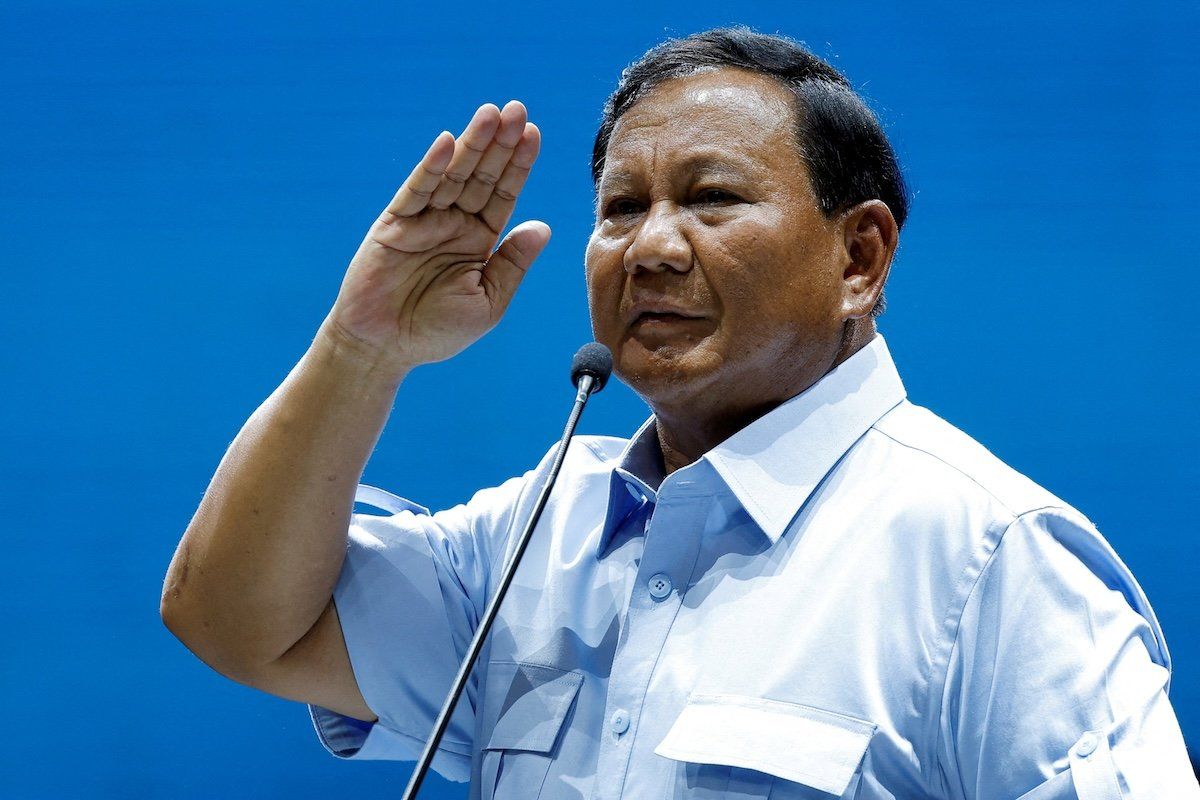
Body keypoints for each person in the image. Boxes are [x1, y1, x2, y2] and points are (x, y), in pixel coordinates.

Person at [159, 26, 1198, 799]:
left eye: (711, 198)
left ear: (859, 257)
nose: (650, 246)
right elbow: (233, 619)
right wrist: (362, 346)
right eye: (621, 207)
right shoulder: (542, 529)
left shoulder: (988, 559)